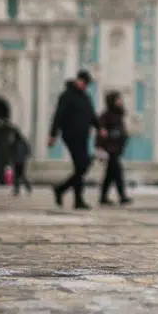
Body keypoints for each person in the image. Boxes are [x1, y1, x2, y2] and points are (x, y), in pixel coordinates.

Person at [50, 70, 97, 210]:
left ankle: (65, 192)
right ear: (78, 80)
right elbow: (58, 115)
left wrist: (100, 127)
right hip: (71, 136)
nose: (85, 86)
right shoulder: (67, 95)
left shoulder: (85, 97)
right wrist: (53, 134)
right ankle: (71, 195)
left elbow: (91, 115)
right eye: (84, 82)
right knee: (82, 165)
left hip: (83, 136)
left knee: (81, 167)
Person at [96, 91, 132, 205]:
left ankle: (103, 197)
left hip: (117, 148)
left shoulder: (119, 114)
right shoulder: (106, 115)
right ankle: (122, 196)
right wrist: (100, 147)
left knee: (110, 175)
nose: (120, 101)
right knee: (117, 173)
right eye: (117, 99)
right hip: (110, 149)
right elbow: (101, 132)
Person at [8, 122, 33, 196]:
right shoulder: (22, 141)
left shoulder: (15, 142)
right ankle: (25, 188)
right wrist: (25, 157)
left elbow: (11, 152)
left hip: (17, 161)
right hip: (21, 161)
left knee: (18, 175)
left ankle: (18, 189)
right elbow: (28, 151)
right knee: (20, 175)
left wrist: (12, 158)